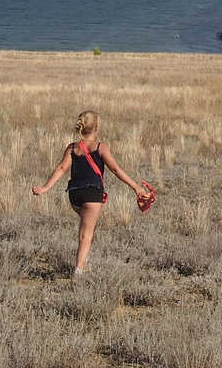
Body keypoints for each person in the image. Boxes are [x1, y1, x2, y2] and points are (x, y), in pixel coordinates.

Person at [32, 110, 154, 277]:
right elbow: (115, 169)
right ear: (96, 128)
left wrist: (46, 187)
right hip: (92, 194)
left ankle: (84, 260)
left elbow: (61, 168)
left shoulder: (72, 148)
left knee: (88, 228)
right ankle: (79, 270)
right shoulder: (100, 147)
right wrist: (135, 187)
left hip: (74, 195)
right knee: (86, 234)